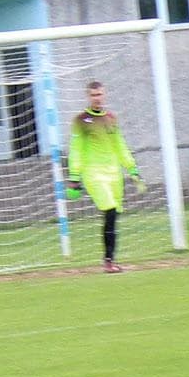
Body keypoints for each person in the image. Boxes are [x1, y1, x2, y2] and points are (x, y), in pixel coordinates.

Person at [66, 81, 143, 273]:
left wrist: (132, 169)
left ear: (104, 95)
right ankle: (108, 262)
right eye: (93, 95)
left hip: (113, 173)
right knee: (109, 209)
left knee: (113, 215)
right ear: (88, 96)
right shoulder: (81, 120)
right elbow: (76, 149)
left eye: (100, 94)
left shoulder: (111, 118)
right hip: (93, 173)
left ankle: (110, 259)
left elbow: (120, 145)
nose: (97, 98)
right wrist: (74, 177)